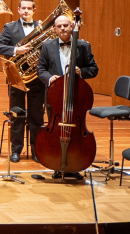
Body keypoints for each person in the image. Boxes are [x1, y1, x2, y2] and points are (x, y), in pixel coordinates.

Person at [35, 13, 99, 181]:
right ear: (55, 29)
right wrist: (50, 78)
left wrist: (81, 72)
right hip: (55, 97)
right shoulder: (47, 46)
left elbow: (94, 69)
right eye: (59, 26)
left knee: (75, 131)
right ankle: (57, 165)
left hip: (75, 99)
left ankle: (73, 166)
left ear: (72, 27)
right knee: (55, 131)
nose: (63, 28)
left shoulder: (84, 46)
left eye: (66, 25)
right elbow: (40, 69)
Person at [0, 0, 47, 165]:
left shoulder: (42, 28)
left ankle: (36, 150)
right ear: (18, 10)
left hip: (37, 79)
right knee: (17, 114)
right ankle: (16, 150)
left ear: (34, 11)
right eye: (23, 8)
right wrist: (16, 50)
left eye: (29, 8)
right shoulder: (9, 27)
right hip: (16, 78)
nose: (26, 11)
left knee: (36, 116)